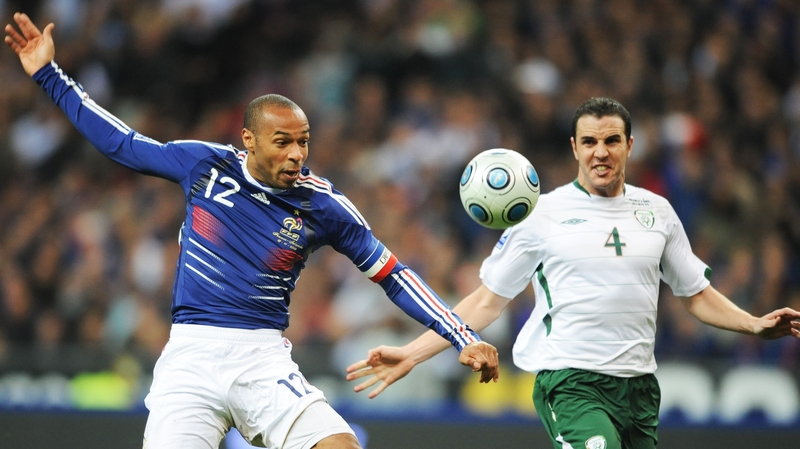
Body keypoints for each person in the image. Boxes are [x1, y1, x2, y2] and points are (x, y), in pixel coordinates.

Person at [4, 12, 500, 449]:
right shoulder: (205, 165)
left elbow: (394, 274)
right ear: (248, 139)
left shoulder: (323, 205)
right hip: (191, 356)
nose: (296, 154)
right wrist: (48, 74)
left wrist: (461, 336)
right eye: (282, 142)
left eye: (303, 142)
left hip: (261, 358)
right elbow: (121, 142)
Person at [346, 97, 800, 448]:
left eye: (611, 141)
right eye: (589, 142)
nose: (600, 152)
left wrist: (753, 324)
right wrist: (412, 352)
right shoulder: (541, 215)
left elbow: (696, 293)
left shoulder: (657, 211)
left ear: (629, 145)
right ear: (574, 148)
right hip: (571, 382)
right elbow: (485, 301)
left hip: (640, 387)